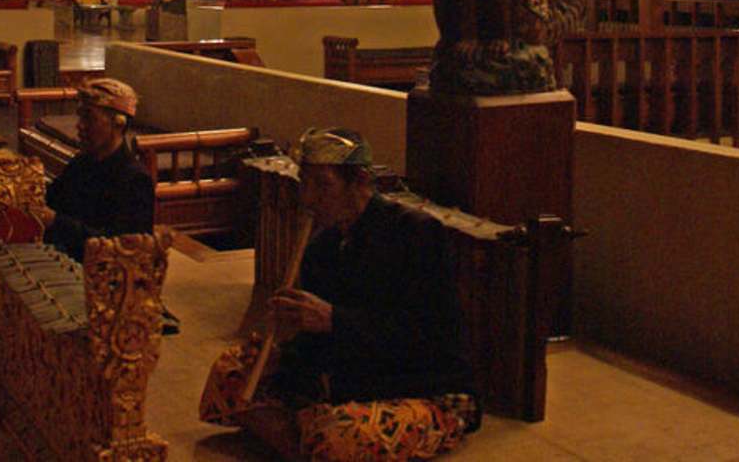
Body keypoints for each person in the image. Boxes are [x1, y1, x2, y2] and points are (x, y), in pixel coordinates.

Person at [200, 127, 478, 462]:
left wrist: (335, 320)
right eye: (304, 183)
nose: (308, 198)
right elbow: (318, 349)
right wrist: (285, 350)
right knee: (230, 373)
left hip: (423, 387)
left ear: (359, 181)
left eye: (322, 185)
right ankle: (304, 441)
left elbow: (430, 337)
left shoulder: (415, 233)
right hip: (350, 383)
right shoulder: (322, 246)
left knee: (336, 435)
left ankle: (302, 439)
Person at [42, 78, 156, 261]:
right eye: (80, 116)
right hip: (65, 260)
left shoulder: (135, 178)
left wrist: (55, 222)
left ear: (118, 124)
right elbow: (53, 198)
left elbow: (123, 246)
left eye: (89, 118)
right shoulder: (81, 162)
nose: (80, 125)